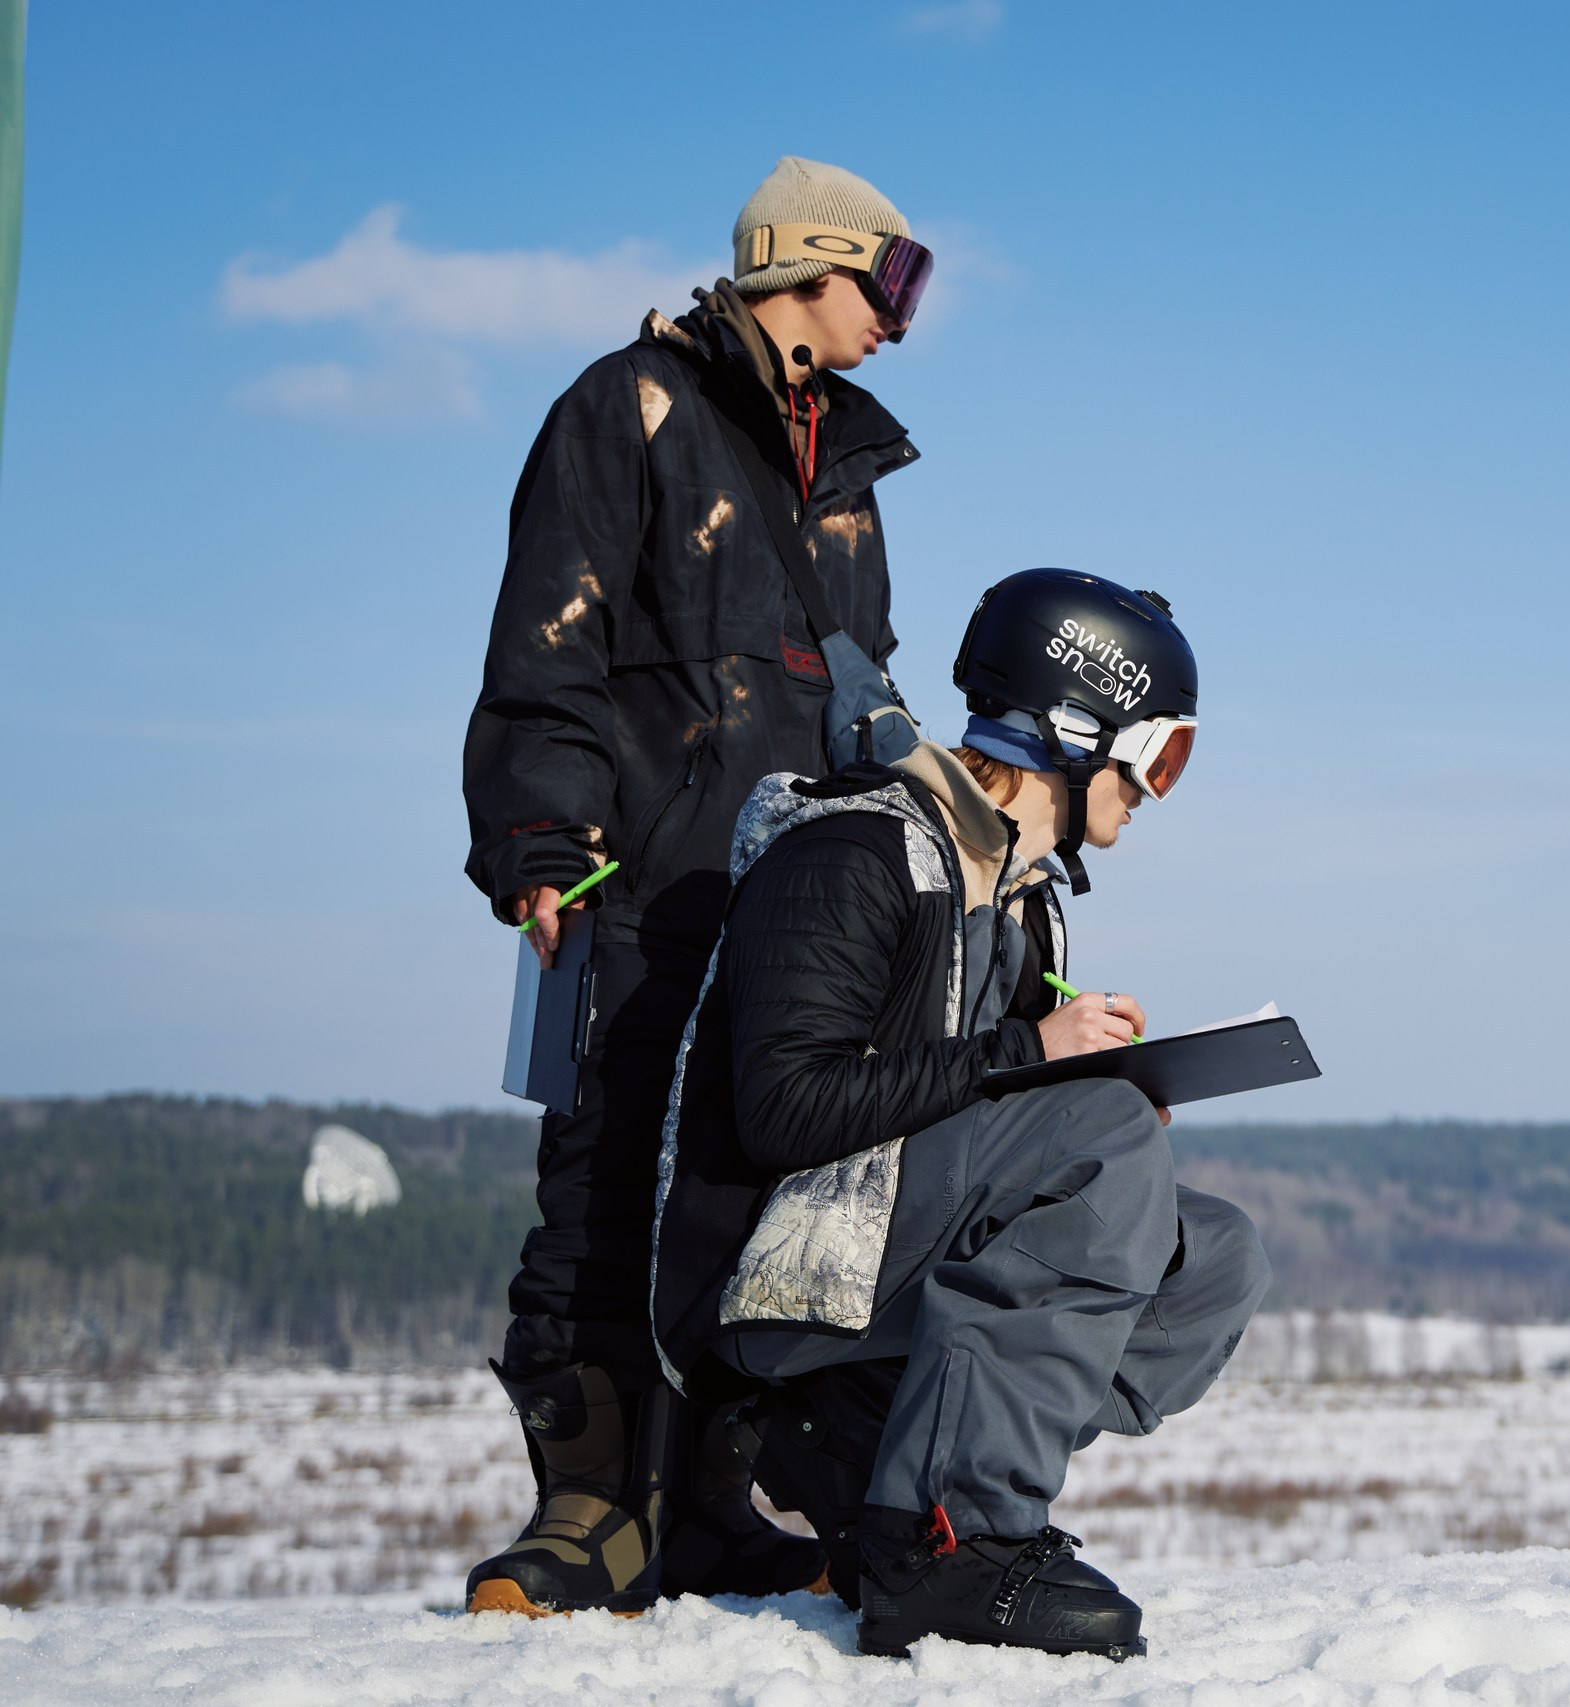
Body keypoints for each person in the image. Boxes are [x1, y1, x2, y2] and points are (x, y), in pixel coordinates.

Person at [460, 157, 937, 1615]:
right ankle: (590, 1509)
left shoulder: (845, 473)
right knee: (604, 1176)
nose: (903, 320)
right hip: (634, 882)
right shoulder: (629, 412)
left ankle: (712, 1508)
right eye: (892, 281)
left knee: (753, 1187)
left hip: (789, 905)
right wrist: (546, 850)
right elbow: (546, 653)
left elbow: (874, 696)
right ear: (806, 265)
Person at [651, 569, 1270, 1659]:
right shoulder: (851, 856)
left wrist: (1095, 1085)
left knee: (1212, 1253)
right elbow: (784, 1111)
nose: (1159, 789)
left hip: (879, 1246)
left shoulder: (1021, 900)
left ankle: (887, 1437)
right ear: (1076, 731)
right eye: (1158, 755)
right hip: (766, 1274)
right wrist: (1038, 1060)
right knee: (1099, 1149)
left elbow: (981, 1101)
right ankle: (948, 1542)